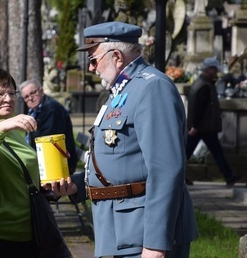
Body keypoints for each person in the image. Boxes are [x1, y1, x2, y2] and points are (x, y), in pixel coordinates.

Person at [47, 21, 199, 258]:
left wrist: (156, 243)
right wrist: (77, 184)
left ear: (116, 56)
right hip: (118, 229)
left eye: (93, 59)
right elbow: (122, 158)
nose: (91, 68)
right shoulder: (122, 91)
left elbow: (166, 170)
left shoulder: (152, 87)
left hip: (141, 234)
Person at [0, 67, 71, 257]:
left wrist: (48, 186)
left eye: (11, 93)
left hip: (27, 233)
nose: (8, 99)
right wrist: (2, 126)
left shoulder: (14, 133)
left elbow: (21, 176)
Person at [185, 57, 241, 186]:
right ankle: (229, 176)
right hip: (203, 127)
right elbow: (200, 107)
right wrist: (195, 125)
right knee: (211, 152)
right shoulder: (205, 85)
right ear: (209, 69)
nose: (216, 72)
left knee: (190, 152)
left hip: (201, 126)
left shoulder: (201, 83)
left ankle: (229, 176)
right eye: (214, 69)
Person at [19, 79, 78, 174]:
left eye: (33, 93)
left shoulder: (51, 108)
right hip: (45, 160)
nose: (30, 98)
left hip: (57, 164)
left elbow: (47, 138)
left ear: (41, 91)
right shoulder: (34, 110)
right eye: (26, 97)